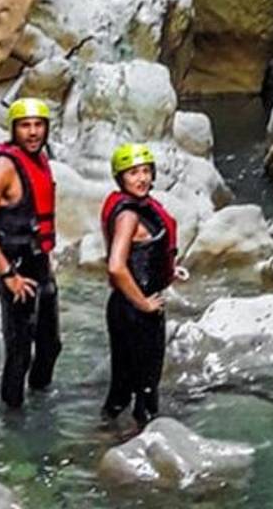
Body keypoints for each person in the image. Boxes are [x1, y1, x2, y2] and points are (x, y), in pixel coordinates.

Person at [0, 97, 62, 409]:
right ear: (14, 129)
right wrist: (7, 273)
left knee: (50, 345)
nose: (32, 132)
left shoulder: (39, 159)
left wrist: (47, 259)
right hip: (15, 269)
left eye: (38, 125)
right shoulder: (2, 167)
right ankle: (14, 421)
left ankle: (40, 404)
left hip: (39, 263)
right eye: (25, 126)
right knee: (19, 352)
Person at [100, 143, 188, 426]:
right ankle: (144, 442)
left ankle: (107, 434)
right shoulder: (129, 215)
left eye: (146, 171)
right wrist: (144, 303)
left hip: (124, 307)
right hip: (135, 310)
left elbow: (145, 253)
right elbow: (116, 265)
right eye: (133, 173)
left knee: (123, 388)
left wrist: (170, 269)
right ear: (120, 178)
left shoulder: (140, 208)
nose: (142, 179)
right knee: (146, 391)